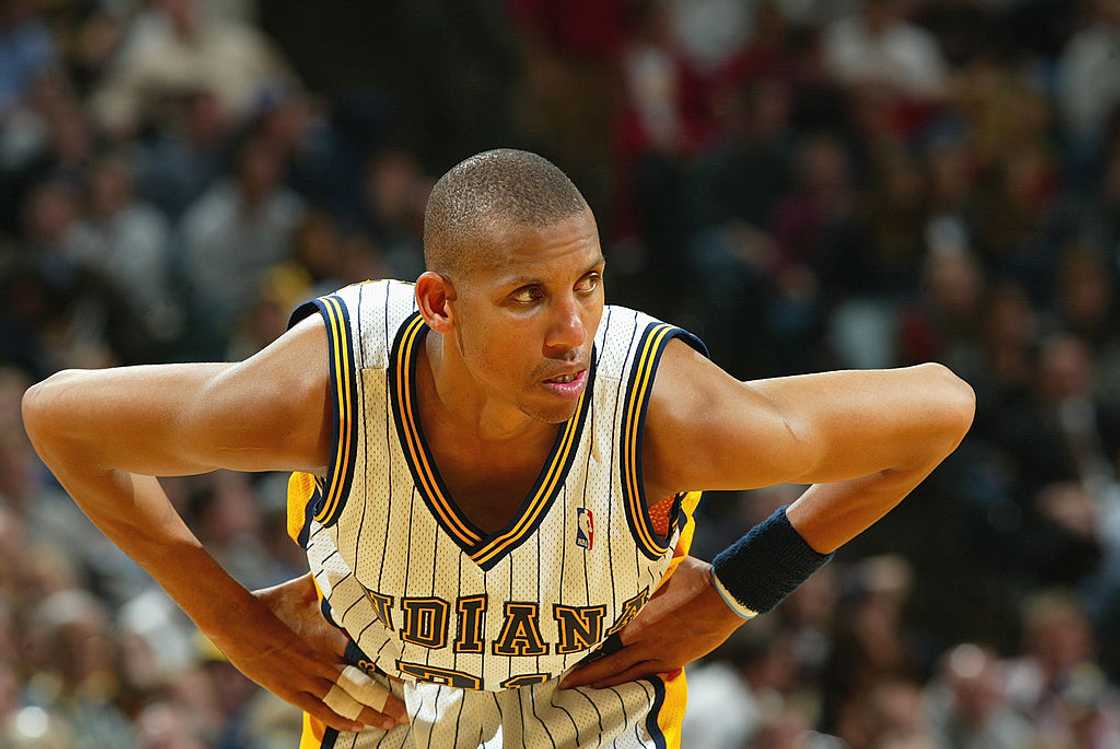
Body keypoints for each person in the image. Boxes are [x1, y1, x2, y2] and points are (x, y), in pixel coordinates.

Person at [21, 149, 975, 748]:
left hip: (593, 720)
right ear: (438, 303)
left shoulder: (663, 411)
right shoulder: (323, 390)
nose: (574, 330)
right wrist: (230, 622)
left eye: (590, 284)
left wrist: (735, 590)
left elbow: (942, 405)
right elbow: (60, 415)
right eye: (528, 296)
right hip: (384, 719)